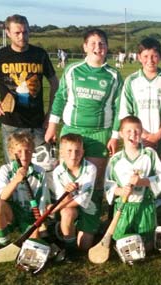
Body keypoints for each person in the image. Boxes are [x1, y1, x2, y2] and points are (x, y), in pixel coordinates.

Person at [45, 29, 123, 215]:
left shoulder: (113, 75)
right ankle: (66, 220)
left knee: (94, 182)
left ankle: (91, 221)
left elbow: (119, 108)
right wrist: (52, 126)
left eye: (102, 43)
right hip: (72, 131)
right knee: (67, 179)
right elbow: (60, 98)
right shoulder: (72, 70)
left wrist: (114, 136)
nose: (98, 47)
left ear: (107, 47)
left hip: (99, 133)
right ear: (85, 47)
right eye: (93, 43)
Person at [0, 14, 59, 162]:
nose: (22, 37)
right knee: (16, 171)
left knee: (45, 168)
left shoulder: (40, 54)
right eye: (17, 33)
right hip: (11, 125)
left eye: (25, 32)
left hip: (37, 122)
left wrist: (50, 114)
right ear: (8, 33)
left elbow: (55, 83)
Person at [104, 116, 161, 250]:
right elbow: (108, 184)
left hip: (144, 205)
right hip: (123, 207)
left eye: (137, 131)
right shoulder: (115, 159)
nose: (133, 134)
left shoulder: (149, 154)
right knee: (124, 245)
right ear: (121, 134)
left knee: (147, 247)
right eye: (128, 131)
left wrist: (143, 181)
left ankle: (159, 211)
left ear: (141, 132)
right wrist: (120, 191)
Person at [112, 37, 161, 158]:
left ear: (160, 56)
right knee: (136, 174)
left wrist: (156, 136)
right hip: (136, 139)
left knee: (159, 175)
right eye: (146, 56)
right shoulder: (131, 81)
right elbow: (125, 114)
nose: (150, 60)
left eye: (154, 56)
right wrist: (145, 136)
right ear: (139, 57)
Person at [0, 132, 49, 247]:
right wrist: (16, 180)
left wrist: (41, 224)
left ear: (32, 151)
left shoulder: (40, 171)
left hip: (32, 215)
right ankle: (4, 243)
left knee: (35, 244)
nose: (24, 155)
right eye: (19, 151)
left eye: (28, 151)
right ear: (11, 152)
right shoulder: (6, 169)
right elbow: (2, 197)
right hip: (13, 213)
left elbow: (43, 200)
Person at [51, 133, 98, 252]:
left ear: (82, 152)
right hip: (69, 207)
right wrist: (67, 194)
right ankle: (70, 250)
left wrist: (55, 209)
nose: (73, 155)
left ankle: (71, 227)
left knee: (84, 246)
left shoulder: (91, 168)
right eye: (69, 151)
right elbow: (63, 199)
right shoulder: (58, 172)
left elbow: (83, 198)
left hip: (88, 207)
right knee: (67, 213)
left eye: (77, 151)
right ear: (61, 152)